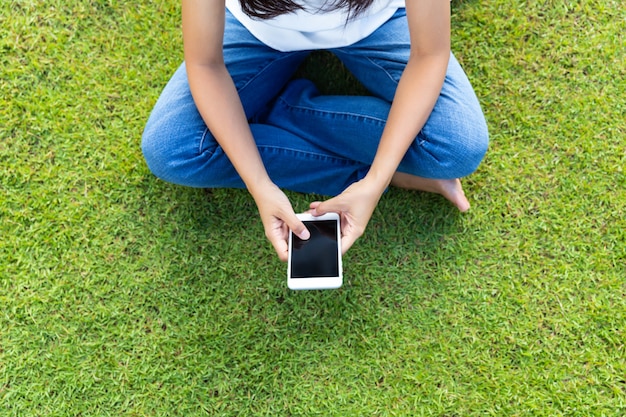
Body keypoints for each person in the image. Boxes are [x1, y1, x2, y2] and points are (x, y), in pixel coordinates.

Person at [141, 0, 489, 262]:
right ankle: (400, 172)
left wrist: (376, 181)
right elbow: (205, 63)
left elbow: (429, 55)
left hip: (378, 21)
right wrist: (259, 184)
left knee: (454, 147)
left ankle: (278, 109)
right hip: (258, 28)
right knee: (174, 148)